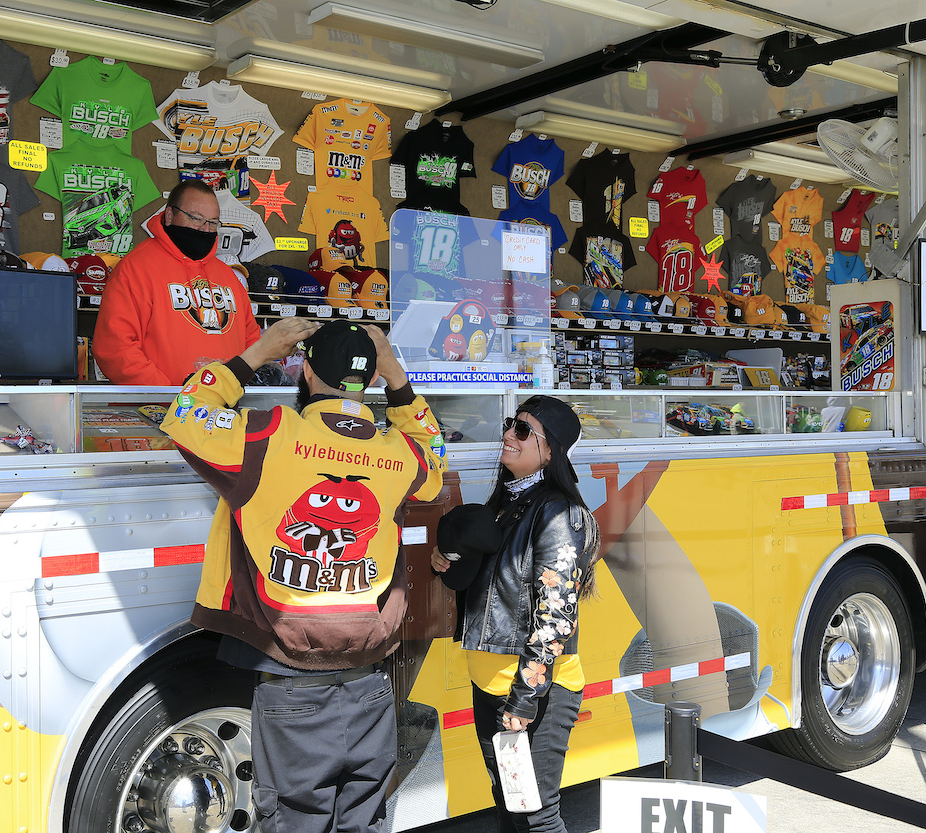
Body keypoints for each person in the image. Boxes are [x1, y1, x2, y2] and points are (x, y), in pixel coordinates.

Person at [161, 318, 448, 833]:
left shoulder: (268, 433)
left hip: (290, 681)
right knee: (363, 822)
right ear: (370, 378)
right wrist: (397, 378)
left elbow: (185, 415)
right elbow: (436, 456)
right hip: (371, 683)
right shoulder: (398, 453)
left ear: (307, 371)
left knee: (294, 822)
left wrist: (256, 352)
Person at [432, 396, 600, 833]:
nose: (508, 435)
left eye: (524, 431)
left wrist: (525, 698)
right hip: (491, 684)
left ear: (552, 451)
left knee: (536, 815)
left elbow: (556, 615)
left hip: (529, 692)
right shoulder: (510, 501)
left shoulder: (559, 512)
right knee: (510, 804)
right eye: (511, 424)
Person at [92, 179, 260, 385]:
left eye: (213, 222)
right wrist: (169, 396)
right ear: (170, 215)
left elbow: (252, 342)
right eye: (196, 219)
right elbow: (115, 348)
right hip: (161, 410)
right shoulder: (137, 267)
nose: (205, 229)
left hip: (224, 410)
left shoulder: (227, 277)